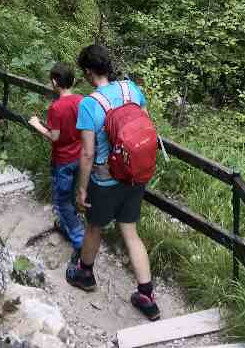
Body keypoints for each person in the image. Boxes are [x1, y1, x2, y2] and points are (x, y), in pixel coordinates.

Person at [66, 45, 160, 321]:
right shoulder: (131, 89)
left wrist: (82, 188)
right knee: (130, 231)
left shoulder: (89, 104)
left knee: (95, 227)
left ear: (87, 72)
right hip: (135, 173)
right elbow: (144, 123)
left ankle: (84, 274)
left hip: (105, 179)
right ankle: (146, 295)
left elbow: (87, 153)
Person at [29, 63, 85, 259]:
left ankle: (80, 241)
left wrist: (37, 125)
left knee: (62, 201)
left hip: (63, 160)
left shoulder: (57, 108)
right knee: (70, 195)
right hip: (80, 157)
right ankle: (67, 225)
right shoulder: (81, 101)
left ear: (55, 82)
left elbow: (54, 137)